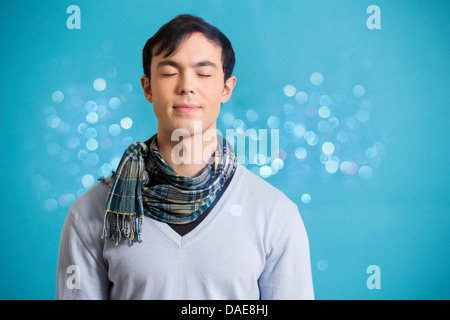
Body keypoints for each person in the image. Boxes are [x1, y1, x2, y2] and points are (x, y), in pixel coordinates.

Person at [56, 14, 314, 300]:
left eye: (203, 73)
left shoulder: (275, 214)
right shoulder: (91, 212)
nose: (186, 86)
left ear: (226, 88)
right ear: (148, 88)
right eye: (169, 73)